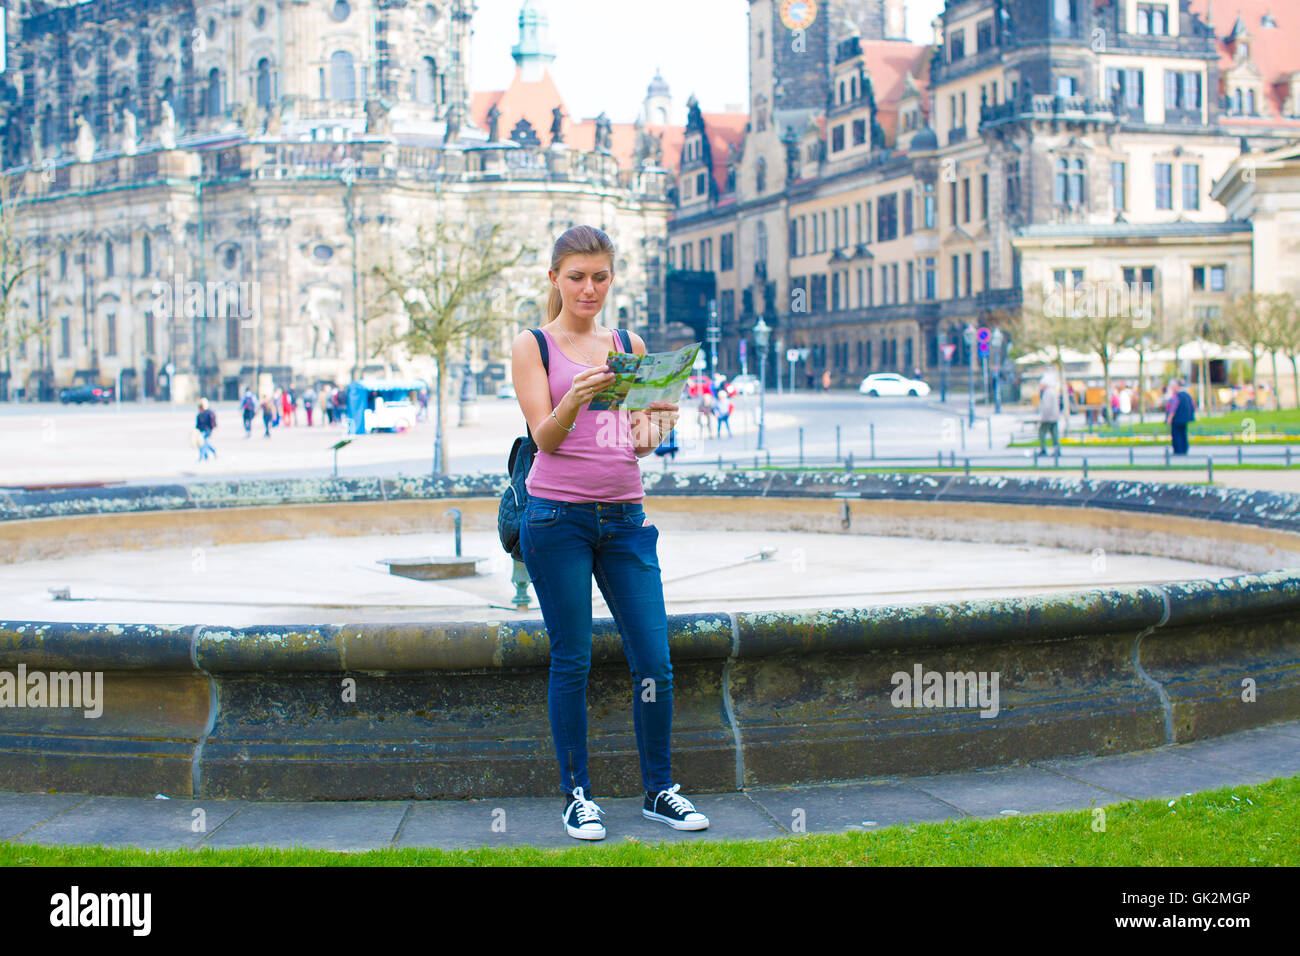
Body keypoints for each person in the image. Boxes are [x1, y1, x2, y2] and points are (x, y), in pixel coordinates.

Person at [511, 224, 709, 842]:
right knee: (571, 658)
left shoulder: (628, 343)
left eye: (600, 277)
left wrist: (659, 424)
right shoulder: (534, 345)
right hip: (556, 517)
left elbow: (637, 448)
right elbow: (544, 435)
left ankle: (659, 791)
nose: (589, 288)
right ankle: (577, 796)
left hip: (624, 516)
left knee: (655, 657)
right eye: (577, 277)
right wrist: (580, 398)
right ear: (555, 280)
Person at [1167, 378, 1195, 455]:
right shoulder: (1187, 395)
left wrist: (1169, 418)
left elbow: (1173, 408)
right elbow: (1193, 406)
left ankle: (1178, 450)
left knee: (1176, 434)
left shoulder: (1176, 396)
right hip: (1185, 419)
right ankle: (1184, 449)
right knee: (1183, 433)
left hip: (1177, 419)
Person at [1037, 375, 1061, 456]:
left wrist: (1043, 418)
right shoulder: (1052, 391)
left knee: (1041, 432)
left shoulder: (1047, 393)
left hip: (1048, 418)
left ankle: (1043, 449)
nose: (1040, 386)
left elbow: (1047, 407)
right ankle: (1057, 450)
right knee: (1054, 434)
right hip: (1054, 417)